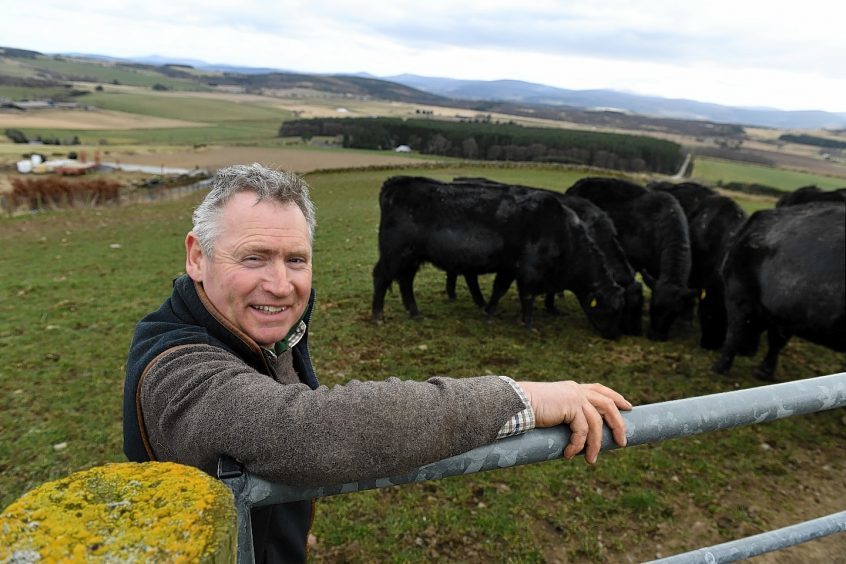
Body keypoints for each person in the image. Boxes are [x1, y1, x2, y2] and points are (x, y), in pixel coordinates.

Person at [123, 163, 632, 562]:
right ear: (197, 256)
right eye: (254, 257)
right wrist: (522, 397)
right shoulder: (175, 370)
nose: (281, 285)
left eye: (296, 260)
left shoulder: (261, 332)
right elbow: (307, 431)